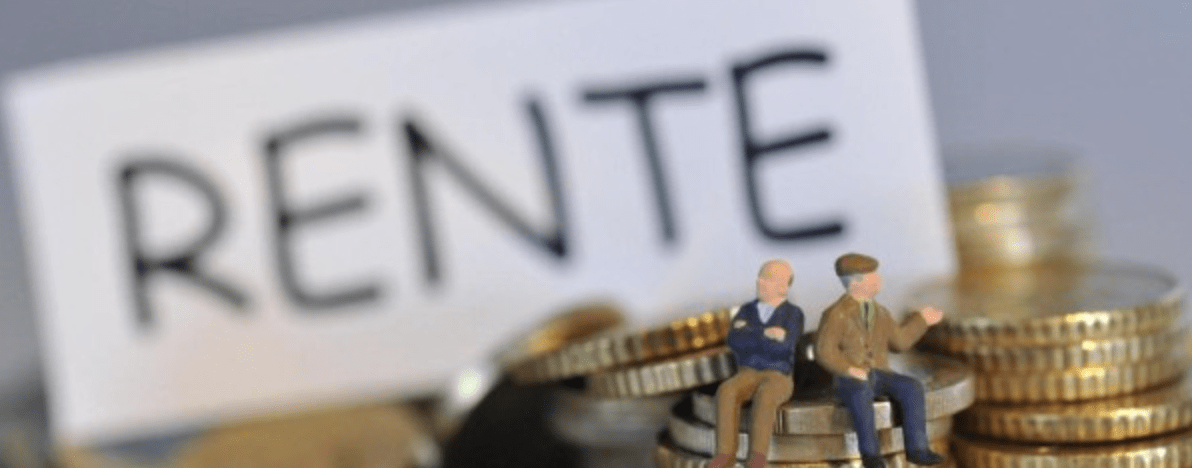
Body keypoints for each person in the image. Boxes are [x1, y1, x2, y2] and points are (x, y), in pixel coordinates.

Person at [815, 253, 945, 468]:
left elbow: (900, 342)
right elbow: (824, 350)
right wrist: (849, 369)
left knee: (912, 387)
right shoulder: (836, 314)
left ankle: (918, 448)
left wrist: (922, 320)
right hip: (850, 379)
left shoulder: (880, 312)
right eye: (873, 277)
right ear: (856, 283)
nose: (879, 280)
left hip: (879, 373)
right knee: (861, 393)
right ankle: (871, 455)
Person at [709, 260, 804, 468]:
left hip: (779, 375)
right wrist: (767, 334)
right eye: (761, 277)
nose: (761, 282)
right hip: (748, 372)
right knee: (726, 391)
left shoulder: (793, 314)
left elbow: (784, 347)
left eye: (768, 278)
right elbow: (735, 341)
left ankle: (757, 458)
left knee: (766, 396)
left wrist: (751, 333)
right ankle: (725, 455)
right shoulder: (746, 310)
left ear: (783, 286)